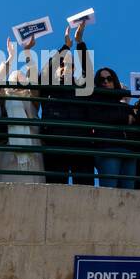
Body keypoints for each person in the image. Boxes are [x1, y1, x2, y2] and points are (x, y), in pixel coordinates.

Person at [39, 21, 95, 185]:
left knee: (85, 188)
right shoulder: (49, 86)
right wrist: (65, 47)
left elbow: (89, 73)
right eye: (62, 64)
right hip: (55, 141)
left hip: (81, 143)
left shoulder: (80, 86)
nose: (65, 67)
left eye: (70, 64)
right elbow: (45, 72)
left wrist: (79, 42)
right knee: (55, 186)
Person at [0, 39, 45, 184]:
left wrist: (27, 52)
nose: (19, 81)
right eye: (14, 79)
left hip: (33, 153)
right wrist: (11, 57)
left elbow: (33, 77)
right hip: (9, 154)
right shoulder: (4, 98)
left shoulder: (32, 100)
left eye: (22, 79)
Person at [87, 65, 133, 188]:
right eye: (102, 80)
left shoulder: (123, 104)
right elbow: (97, 117)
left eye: (109, 79)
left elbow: (135, 120)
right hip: (107, 149)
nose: (106, 82)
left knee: (131, 195)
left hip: (128, 150)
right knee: (110, 192)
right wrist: (124, 118)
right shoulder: (94, 100)